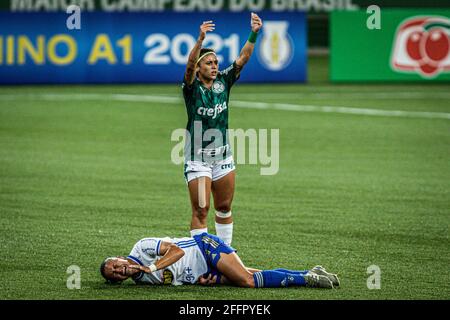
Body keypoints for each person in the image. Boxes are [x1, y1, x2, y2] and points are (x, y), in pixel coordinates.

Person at [181, 13, 263, 246]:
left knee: (224, 207)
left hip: (223, 157)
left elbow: (243, 58)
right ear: (199, 68)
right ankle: (203, 259)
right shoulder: (191, 88)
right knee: (201, 209)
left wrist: (254, 32)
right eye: (209, 63)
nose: (215, 66)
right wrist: (200, 39)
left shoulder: (223, 82)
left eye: (216, 62)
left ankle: (226, 255)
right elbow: (187, 67)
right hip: (197, 159)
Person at [100, 232, 340, 289]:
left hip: (205, 247)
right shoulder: (142, 282)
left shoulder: (142, 248)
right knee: (252, 273)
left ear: (120, 257)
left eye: (116, 265)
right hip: (203, 271)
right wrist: (198, 280)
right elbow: (175, 276)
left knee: (247, 280)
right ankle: (310, 271)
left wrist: (150, 266)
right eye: (116, 275)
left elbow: (176, 251)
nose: (120, 270)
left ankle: (308, 280)